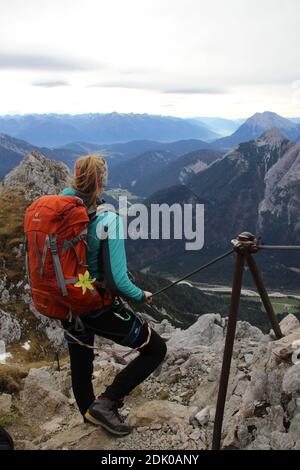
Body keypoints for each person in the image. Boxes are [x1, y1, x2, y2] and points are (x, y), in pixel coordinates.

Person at [60, 155, 167, 436]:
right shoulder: (108, 220)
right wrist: (141, 295)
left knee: (81, 361)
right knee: (156, 349)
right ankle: (107, 403)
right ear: (101, 181)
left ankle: (89, 418)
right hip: (95, 307)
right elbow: (118, 281)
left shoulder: (60, 209)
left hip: (66, 302)